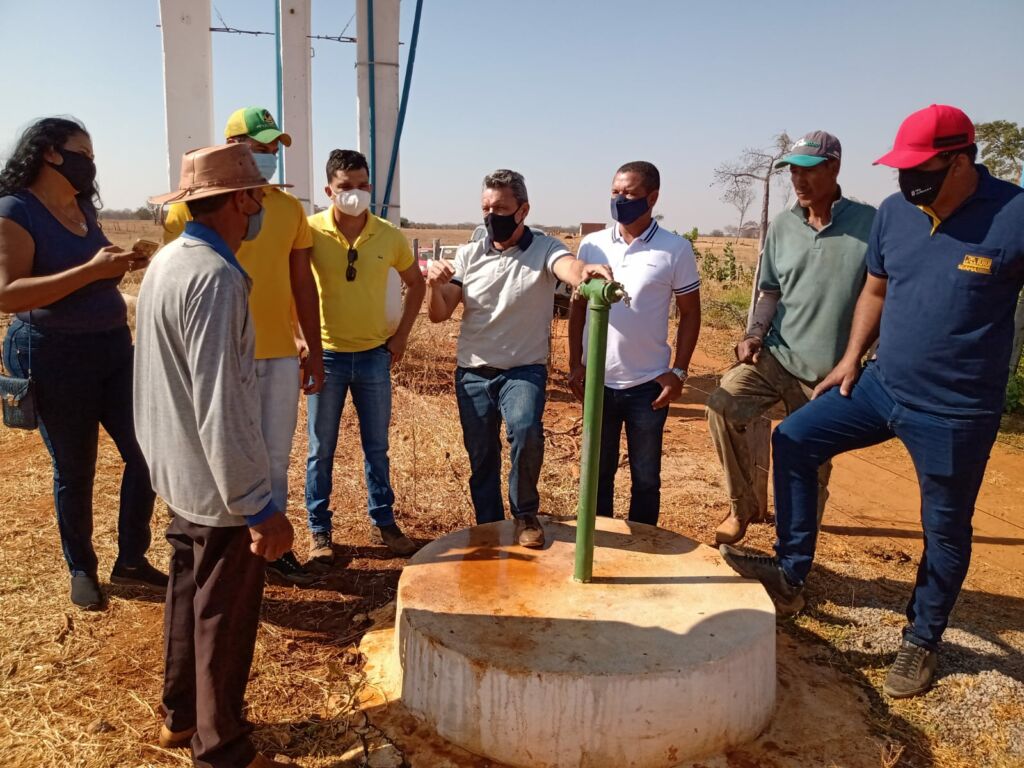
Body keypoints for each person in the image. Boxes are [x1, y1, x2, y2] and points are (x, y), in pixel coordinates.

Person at [719, 105, 1024, 699]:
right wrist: (851, 358)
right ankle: (790, 572)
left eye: (922, 169)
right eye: (901, 169)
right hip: (882, 383)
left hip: (957, 408)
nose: (909, 182)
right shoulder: (894, 213)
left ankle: (922, 640)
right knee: (795, 439)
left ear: (961, 160)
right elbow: (877, 287)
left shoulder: (1015, 214)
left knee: (944, 526)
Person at [137, 143, 297, 768]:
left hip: (179, 473)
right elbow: (223, 403)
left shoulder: (168, 262)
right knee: (224, 620)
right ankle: (222, 746)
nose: (260, 207)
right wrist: (258, 505)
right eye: (256, 196)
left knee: (189, 597)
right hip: (218, 484)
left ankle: (181, 716)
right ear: (237, 201)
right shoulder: (218, 278)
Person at [0, 117, 162, 610]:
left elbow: (85, 278)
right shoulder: (15, 210)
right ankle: (82, 568)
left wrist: (114, 267)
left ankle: (131, 559)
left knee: (147, 453)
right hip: (52, 353)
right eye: (82, 152)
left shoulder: (82, 207)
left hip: (112, 347)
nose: (90, 162)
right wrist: (90, 270)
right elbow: (8, 294)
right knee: (76, 468)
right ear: (49, 153)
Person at [162, 106, 322, 586]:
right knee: (217, 451)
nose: (270, 155)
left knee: (272, 456)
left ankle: (270, 553)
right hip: (216, 351)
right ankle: (223, 549)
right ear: (234, 147)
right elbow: (179, 274)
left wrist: (312, 347)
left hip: (274, 352)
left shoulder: (289, 208)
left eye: (275, 147)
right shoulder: (188, 209)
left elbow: (302, 283)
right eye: (261, 146)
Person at [426, 169, 613, 548]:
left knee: (526, 431)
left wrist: (584, 274)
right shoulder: (469, 254)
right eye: (486, 208)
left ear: (523, 210)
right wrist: (434, 285)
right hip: (474, 372)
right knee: (481, 454)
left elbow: (568, 267)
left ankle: (525, 513)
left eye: (501, 208)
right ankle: (488, 525)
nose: (492, 216)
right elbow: (440, 311)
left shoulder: (544, 248)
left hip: (523, 371)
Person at [706, 132, 876, 544]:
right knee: (723, 405)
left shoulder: (870, 224)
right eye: (793, 172)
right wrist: (753, 334)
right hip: (777, 355)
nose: (798, 181)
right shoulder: (783, 226)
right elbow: (770, 292)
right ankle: (741, 506)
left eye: (808, 171)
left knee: (810, 459)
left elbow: (885, 294)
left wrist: (863, 357)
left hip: (830, 371)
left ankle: (795, 551)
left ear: (834, 168)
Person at [304, 149, 425, 563]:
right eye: (344, 187)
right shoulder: (309, 232)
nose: (354, 193)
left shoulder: (389, 235)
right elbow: (291, 286)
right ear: (328, 191)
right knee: (321, 449)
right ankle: (319, 531)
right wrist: (301, 342)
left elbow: (416, 284)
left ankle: (384, 521)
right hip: (327, 358)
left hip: (374, 355)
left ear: (370, 187)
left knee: (377, 446)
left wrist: (401, 337)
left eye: (361, 185)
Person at [568, 161, 701, 526]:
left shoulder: (675, 249)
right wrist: (575, 363)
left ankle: (644, 545)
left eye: (628, 193)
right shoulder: (591, 246)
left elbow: (690, 314)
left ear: (652, 197)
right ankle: (602, 543)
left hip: (648, 386)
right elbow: (577, 309)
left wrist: (678, 372)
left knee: (645, 478)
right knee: (598, 475)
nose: (619, 199)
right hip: (599, 382)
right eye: (614, 192)